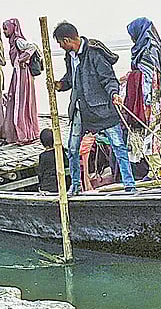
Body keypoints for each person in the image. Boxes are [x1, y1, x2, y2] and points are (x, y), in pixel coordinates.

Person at [53, 21, 135, 194]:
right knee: (73, 149)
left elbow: (109, 79)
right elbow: (71, 78)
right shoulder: (70, 56)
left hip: (102, 109)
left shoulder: (95, 54)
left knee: (118, 146)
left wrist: (114, 94)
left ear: (67, 40)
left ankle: (129, 184)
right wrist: (60, 85)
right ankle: (75, 185)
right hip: (80, 109)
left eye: (60, 43)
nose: (60, 46)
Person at [125, 17, 161, 179]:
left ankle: (158, 172)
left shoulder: (148, 49)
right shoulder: (147, 47)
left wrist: (147, 101)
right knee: (150, 136)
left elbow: (150, 78)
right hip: (153, 98)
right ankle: (156, 171)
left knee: (152, 136)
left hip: (153, 100)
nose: (132, 38)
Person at [1, 18, 40, 144]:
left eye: (6, 29)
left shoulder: (18, 41)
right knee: (20, 102)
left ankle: (23, 133)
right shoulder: (13, 42)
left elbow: (32, 47)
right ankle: (22, 132)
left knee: (20, 103)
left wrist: (22, 59)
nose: (4, 32)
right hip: (18, 74)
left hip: (22, 75)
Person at [36, 127, 59, 193]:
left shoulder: (43, 156)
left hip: (47, 186)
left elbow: (41, 172)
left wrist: (40, 185)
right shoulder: (60, 152)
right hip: (60, 184)